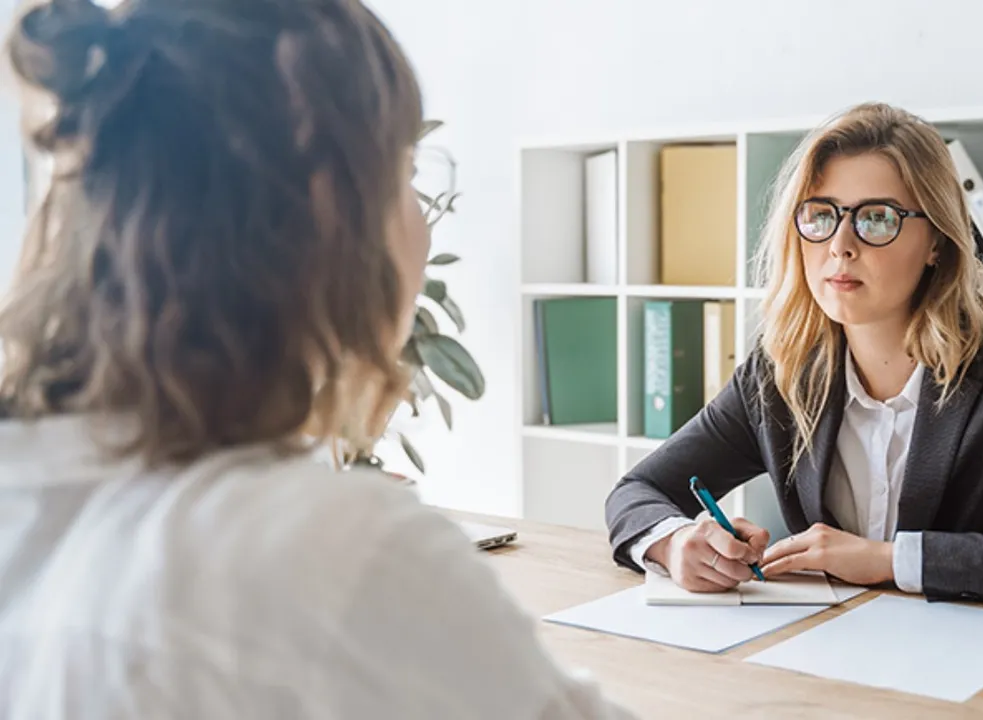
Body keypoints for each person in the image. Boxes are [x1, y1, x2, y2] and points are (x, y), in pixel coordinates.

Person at [0, 0, 632, 717]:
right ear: (331, 205)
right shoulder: (332, 554)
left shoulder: (26, 494)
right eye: (405, 171)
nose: (421, 224)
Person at [605, 103, 983, 612]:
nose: (840, 245)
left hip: (982, 667)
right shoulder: (779, 371)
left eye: (876, 219)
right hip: (837, 655)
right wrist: (676, 543)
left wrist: (887, 560)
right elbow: (638, 492)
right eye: (820, 215)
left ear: (938, 241)